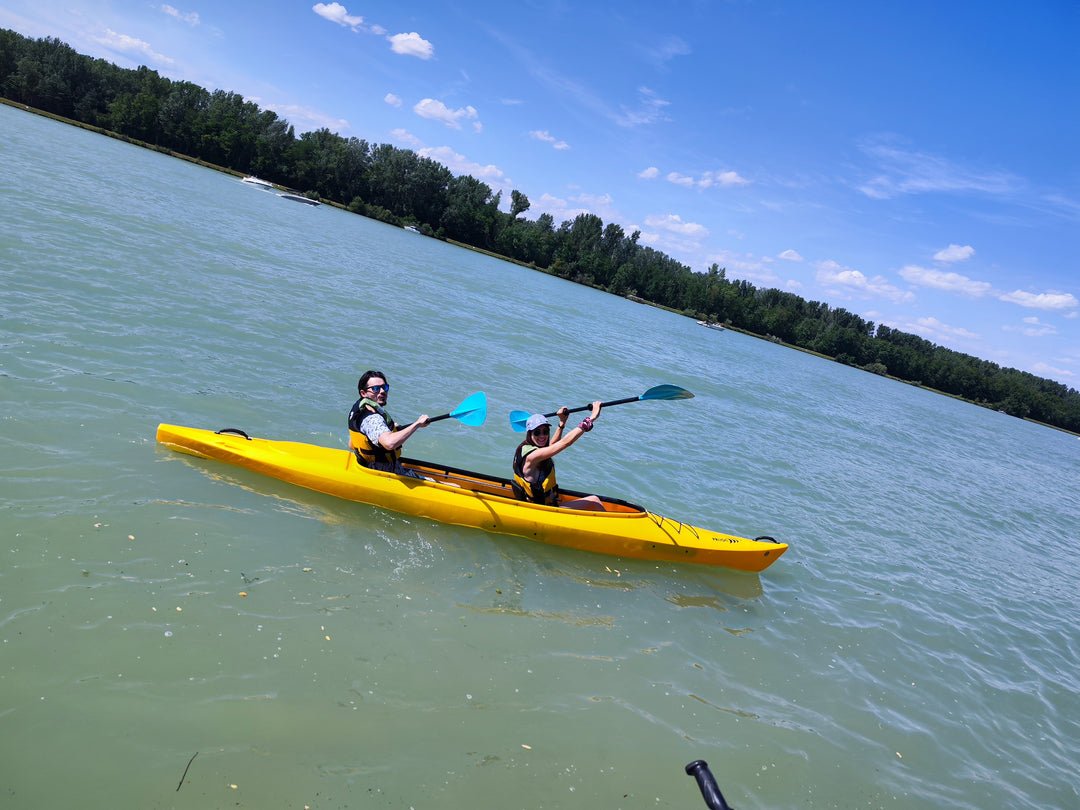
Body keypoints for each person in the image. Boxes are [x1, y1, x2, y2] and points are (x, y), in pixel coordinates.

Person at [511, 402, 604, 510]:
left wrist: (562, 423)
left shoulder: (525, 447)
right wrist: (591, 418)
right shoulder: (532, 456)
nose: (542, 436)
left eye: (545, 431)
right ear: (530, 434)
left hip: (539, 505)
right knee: (594, 501)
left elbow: (552, 446)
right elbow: (565, 443)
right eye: (537, 432)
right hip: (541, 510)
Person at [348, 370, 430, 477]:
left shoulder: (361, 410)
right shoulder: (373, 419)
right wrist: (417, 424)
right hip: (385, 473)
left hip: (368, 466)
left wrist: (388, 430)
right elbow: (390, 443)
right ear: (363, 393)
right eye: (376, 389)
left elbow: (352, 444)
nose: (382, 391)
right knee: (453, 487)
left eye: (384, 387)